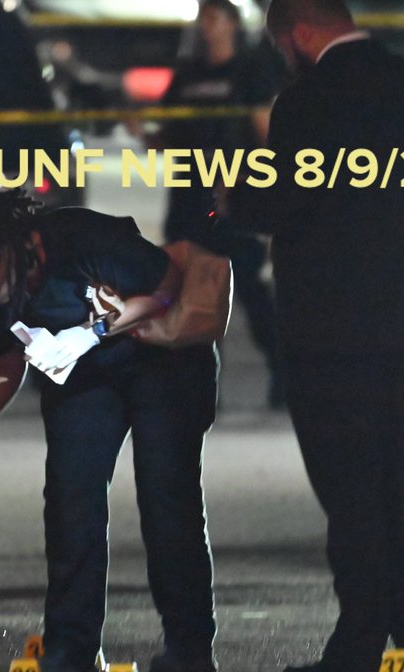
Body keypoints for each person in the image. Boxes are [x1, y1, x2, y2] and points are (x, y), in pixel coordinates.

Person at [224, 0, 404, 672]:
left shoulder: (304, 103)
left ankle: (361, 640)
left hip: (331, 329)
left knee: (352, 485)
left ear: (298, 34)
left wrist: (230, 197)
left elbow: (278, 204)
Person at [0, 191, 220, 672]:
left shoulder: (83, 239)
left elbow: (166, 286)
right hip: (88, 380)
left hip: (164, 365)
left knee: (165, 495)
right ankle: (70, 646)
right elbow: (5, 356)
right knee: (72, 495)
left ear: (13, 249)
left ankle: (189, 642)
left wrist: (89, 334)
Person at [157, 0, 286, 406]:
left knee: (250, 290)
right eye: (203, 19)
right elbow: (166, 134)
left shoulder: (250, 71)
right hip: (189, 201)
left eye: (214, 18)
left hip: (235, 200)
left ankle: (284, 378)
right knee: (195, 298)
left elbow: (266, 134)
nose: (207, 26)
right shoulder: (187, 76)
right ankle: (203, 389)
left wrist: (268, 190)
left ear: (232, 25)